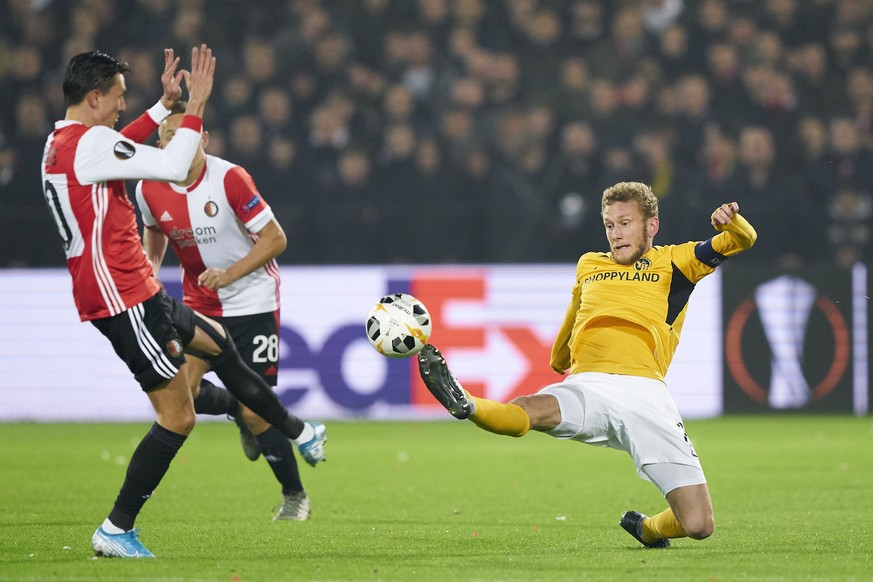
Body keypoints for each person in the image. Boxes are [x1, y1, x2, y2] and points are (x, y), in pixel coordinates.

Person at [40, 47, 326, 559]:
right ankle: (116, 527)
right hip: (121, 296)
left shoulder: (63, 142)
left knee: (215, 344)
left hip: (138, 289)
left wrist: (161, 106)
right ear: (94, 96)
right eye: (120, 99)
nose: (125, 108)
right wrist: (194, 105)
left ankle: (295, 429)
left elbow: (118, 144)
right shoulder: (89, 147)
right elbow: (171, 162)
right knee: (178, 417)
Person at [418, 181, 757, 548]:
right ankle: (466, 404)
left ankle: (648, 529)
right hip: (589, 385)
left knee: (698, 523)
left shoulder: (677, 261)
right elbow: (568, 330)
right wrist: (563, 356)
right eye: (610, 225)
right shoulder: (589, 265)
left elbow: (743, 240)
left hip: (645, 393)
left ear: (651, 226)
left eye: (625, 223)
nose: (616, 234)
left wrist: (730, 222)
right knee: (529, 409)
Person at [136, 101, 311, 520]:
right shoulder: (148, 187)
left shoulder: (230, 177)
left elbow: (275, 239)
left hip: (253, 301)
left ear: (203, 139)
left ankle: (294, 496)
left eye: (182, 137)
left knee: (258, 411)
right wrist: (152, 269)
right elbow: (155, 229)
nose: (172, 145)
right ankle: (233, 406)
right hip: (201, 304)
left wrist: (230, 274)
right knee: (182, 395)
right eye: (164, 139)